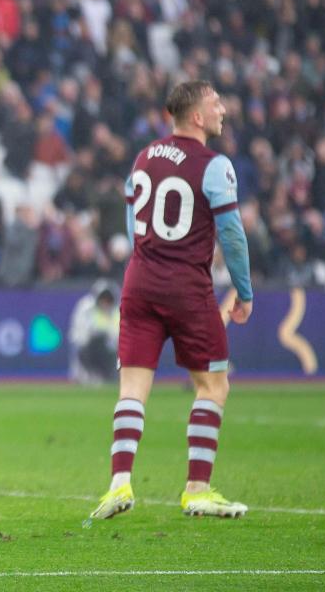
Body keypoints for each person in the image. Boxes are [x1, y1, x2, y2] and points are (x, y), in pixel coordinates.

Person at [90, 80, 253, 521]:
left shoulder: (144, 157)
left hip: (139, 281)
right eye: (216, 103)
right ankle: (196, 489)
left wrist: (146, 256)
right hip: (187, 287)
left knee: (132, 389)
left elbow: (131, 218)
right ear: (197, 116)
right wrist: (244, 288)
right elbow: (233, 235)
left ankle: (118, 483)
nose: (223, 108)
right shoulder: (214, 165)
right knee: (213, 385)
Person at [68, 280, 120, 385]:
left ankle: (111, 377)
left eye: (108, 299)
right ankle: (86, 376)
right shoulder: (86, 309)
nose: (105, 302)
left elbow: (121, 339)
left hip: (110, 353)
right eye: (103, 299)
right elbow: (77, 337)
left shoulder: (119, 311)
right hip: (89, 351)